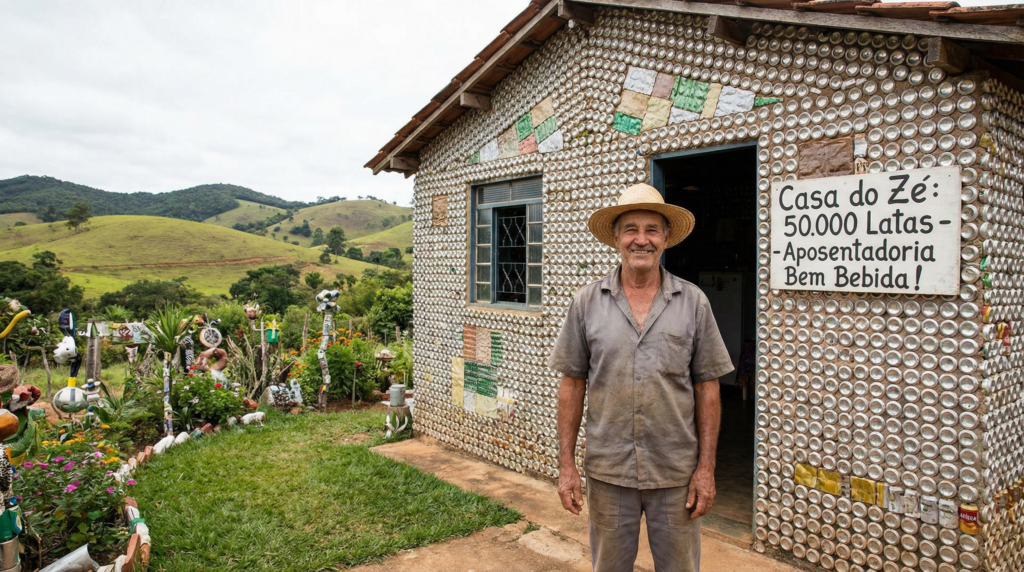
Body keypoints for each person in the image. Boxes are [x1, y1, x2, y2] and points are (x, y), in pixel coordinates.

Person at [548, 183, 734, 572]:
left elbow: (708, 388)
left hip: (676, 473)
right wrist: (567, 466)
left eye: (651, 230)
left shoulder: (694, 302)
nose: (641, 240)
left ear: (665, 238)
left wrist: (706, 469)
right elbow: (572, 385)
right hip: (609, 470)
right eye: (631, 229)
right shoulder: (586, 302)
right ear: (617, 238)